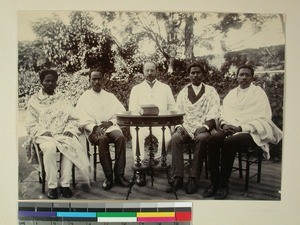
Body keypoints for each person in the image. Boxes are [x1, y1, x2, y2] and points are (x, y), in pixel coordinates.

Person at [203, 65, 283, 200]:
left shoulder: (258, 93)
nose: (244, 77)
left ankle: (223, 184)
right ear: (237, 77)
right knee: (214, 139)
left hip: (251, 132)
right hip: (231, 128)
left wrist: (240, 128)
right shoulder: (232, 94)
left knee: (229, 142)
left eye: (247, 75)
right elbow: (224, 113)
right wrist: (225, 124)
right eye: (241, 74)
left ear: (252, 77)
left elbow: (262, 118)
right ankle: (214, 182)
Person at [25, 69, 90, 199]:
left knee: (69, 144)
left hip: (61, 133)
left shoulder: (62, 99)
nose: (50, 83)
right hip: (44, 136)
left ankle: (65, 184)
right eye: (47, 81)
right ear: (41, 82)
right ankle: (52, 186)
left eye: (53, 81)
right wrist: (43, 131)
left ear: (56, 83)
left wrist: (70, 129)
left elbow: (73, 118)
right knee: (49, 147)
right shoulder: (34, 100)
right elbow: (30, 123)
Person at [167, 63, 220, 194]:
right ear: (189, 75)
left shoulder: (211, 91)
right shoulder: (183, 93)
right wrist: (179, 126)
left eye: (198, 72)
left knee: (202, 139)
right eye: (193, 73)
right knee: (175, 138)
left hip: (203, 127)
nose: (195, 75)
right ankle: (178, 177)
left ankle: (193, 178)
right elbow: (177, 111)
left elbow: (215, 110)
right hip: (186, 126)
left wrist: (205, 126)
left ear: (203, 74)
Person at [76, 68, 129, 191]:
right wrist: (94, 127)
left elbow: (120, 112)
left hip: (110, 127)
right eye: (93, 79)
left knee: (120, 137)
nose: (96, 82)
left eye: (99, 79)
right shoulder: (85, 97)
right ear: (89, 81)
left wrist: (110, 122)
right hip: (92, 131)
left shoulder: (109, 96)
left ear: (103, 80)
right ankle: (109, 177)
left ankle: (119, 175)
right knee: (102, 139)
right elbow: (80, 117)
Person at [129, 61, 176, 186]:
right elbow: (132, 109)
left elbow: (172, 107)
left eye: (152, 70)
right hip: (141, 124)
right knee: (136, 138)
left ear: (157, 71)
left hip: (160, 123)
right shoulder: (136, 89)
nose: (149, 73)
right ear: (143, 72)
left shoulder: (165, 88)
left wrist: (170, 125)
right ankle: (140, 170)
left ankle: (155, 160)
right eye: (147, 70)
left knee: (166, 138)